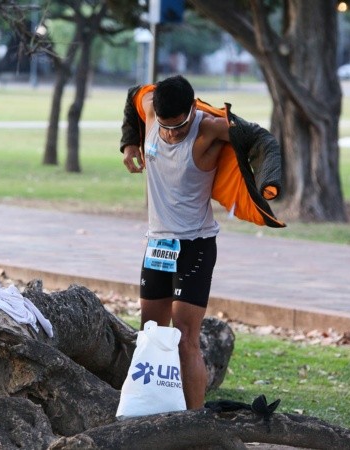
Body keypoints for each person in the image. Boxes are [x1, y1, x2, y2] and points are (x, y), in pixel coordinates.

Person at [119, 75, 285, 409]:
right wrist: (129, 143)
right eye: (166, 128)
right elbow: (134, 95)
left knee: (184, 339)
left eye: (179, 127)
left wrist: (268, 183)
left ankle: (196, 424)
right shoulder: (152, 111)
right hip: (158, 246)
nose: (171, 134)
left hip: (194, 246)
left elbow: (263, 140)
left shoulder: (207, 129)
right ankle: (150, 411)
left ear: (192, 110)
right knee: (149, 333)